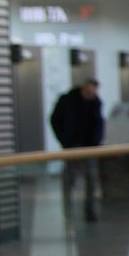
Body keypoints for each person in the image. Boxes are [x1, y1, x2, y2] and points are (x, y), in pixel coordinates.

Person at [51, 78, 104, 222]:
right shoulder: (67, 100)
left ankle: (90, 210)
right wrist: (64, 140)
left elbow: (98, 123)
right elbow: (55, 119)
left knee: (91, 178)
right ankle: (68, 211)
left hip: (90, 147)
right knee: (70, 179)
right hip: (72, 146)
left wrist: (96, 140)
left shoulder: (96, 102)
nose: (90, 94)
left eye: (92, 92)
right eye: (88, 91)